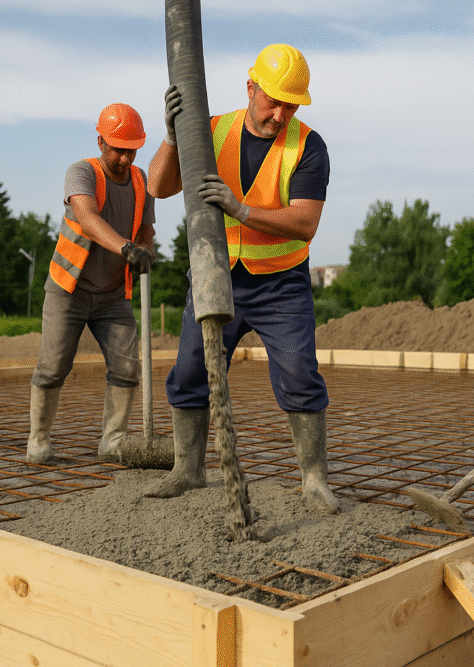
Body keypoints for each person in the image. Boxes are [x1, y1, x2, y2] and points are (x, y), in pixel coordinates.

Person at [146, 44, 339, 513]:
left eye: (290, 104)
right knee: (191, 370)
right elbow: (158, 186)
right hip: (216, 272)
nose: (280, 113)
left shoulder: (307, 146)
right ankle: (188, 469)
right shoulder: (213, 131)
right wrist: (173, 137)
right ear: (250, 87)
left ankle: (314, 480)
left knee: (298, 373)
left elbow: (304, 222)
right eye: (273, 100)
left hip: (280, 283)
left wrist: (241, 209)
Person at [25, 103, 156, 465]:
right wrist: (125, 247)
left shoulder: (142, 181)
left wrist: (145, 249)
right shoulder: (82, 172)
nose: (125, 157)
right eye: (118, 148)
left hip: (113, 294)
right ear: (100, 141)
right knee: (52, 367)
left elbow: (146, 229)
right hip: (70, 288)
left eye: (132, 149)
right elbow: (85, 216)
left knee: (128, 366)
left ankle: (112, 441)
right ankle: (39, 439)